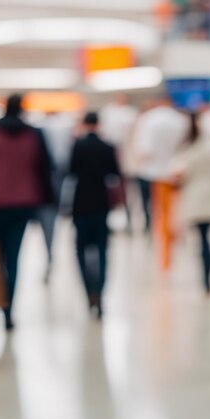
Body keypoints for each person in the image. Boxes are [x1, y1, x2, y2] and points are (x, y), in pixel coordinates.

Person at [0, 94, 54, 330]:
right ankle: (10, 309)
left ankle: (1, 303)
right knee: (14, 257)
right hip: (24, 203)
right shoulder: (31, 137)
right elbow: (42, 169)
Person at [69, 111, 121, 318]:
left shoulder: (77, 146)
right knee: (101, 250)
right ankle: (100, 291)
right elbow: (115, 174)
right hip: (101, 203)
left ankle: (88, 292)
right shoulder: (108, 147)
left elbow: (71, 172)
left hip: (81, 202)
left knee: (81, 249)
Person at [174, 113, 210, 294]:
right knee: (208, 237)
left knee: (202, 239)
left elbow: (180, 176)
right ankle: (208, 277)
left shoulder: (189, 151)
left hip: (195, 199)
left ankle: (205, 277)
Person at [133, 95, 188, 270]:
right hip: (174, 174)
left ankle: (158, 247)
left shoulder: (148, 120)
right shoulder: (181, 120)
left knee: (155, 212)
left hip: (152, 174)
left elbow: (144, 151)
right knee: (172, 213)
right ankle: (169, 249)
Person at [36, 111, 75, 282]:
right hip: (47, 185)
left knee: (49, 224)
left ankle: (50, 258)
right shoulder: (45, 131)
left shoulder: (42, 130)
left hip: (46, 187)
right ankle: (49, 258)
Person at [100, 95, 139, 233]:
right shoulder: (108, 112)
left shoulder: (131, 114)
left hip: (129, 161)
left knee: (130, 194)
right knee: (113, 194)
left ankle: (129, 220)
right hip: (113, 162)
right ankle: (115, 221)